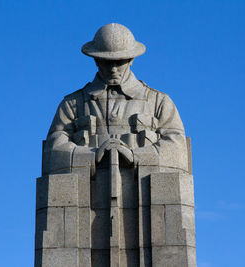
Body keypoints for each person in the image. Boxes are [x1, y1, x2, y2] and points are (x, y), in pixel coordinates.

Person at [43, 23, 189, 174]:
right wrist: (91, 156)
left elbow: (177, 147)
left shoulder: (159, 102)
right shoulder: (72, 104)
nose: (113, 69)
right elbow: (54, 149)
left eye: (119, 62)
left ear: (131, 59)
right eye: (107, 62)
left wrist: (136, 156)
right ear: (96, 60)